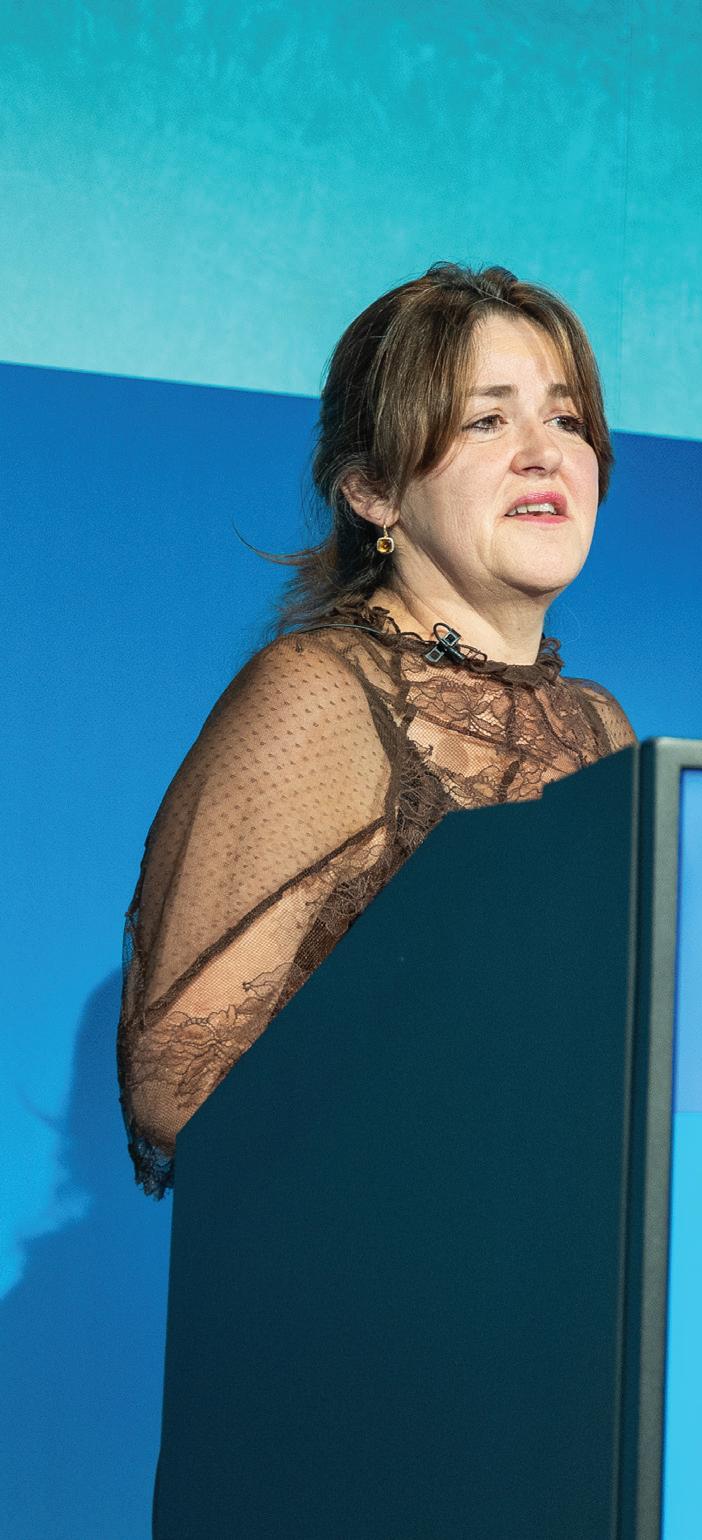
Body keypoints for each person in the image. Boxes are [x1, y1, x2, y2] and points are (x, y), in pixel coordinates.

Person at [116, 261, 636, 1199]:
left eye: (566, 420)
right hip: (382, 1251)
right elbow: (174, 1085)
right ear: (373, 491)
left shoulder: (595, 725)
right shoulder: (319, 695)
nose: (544, 454)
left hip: (563, 1242)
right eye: (486, 421)